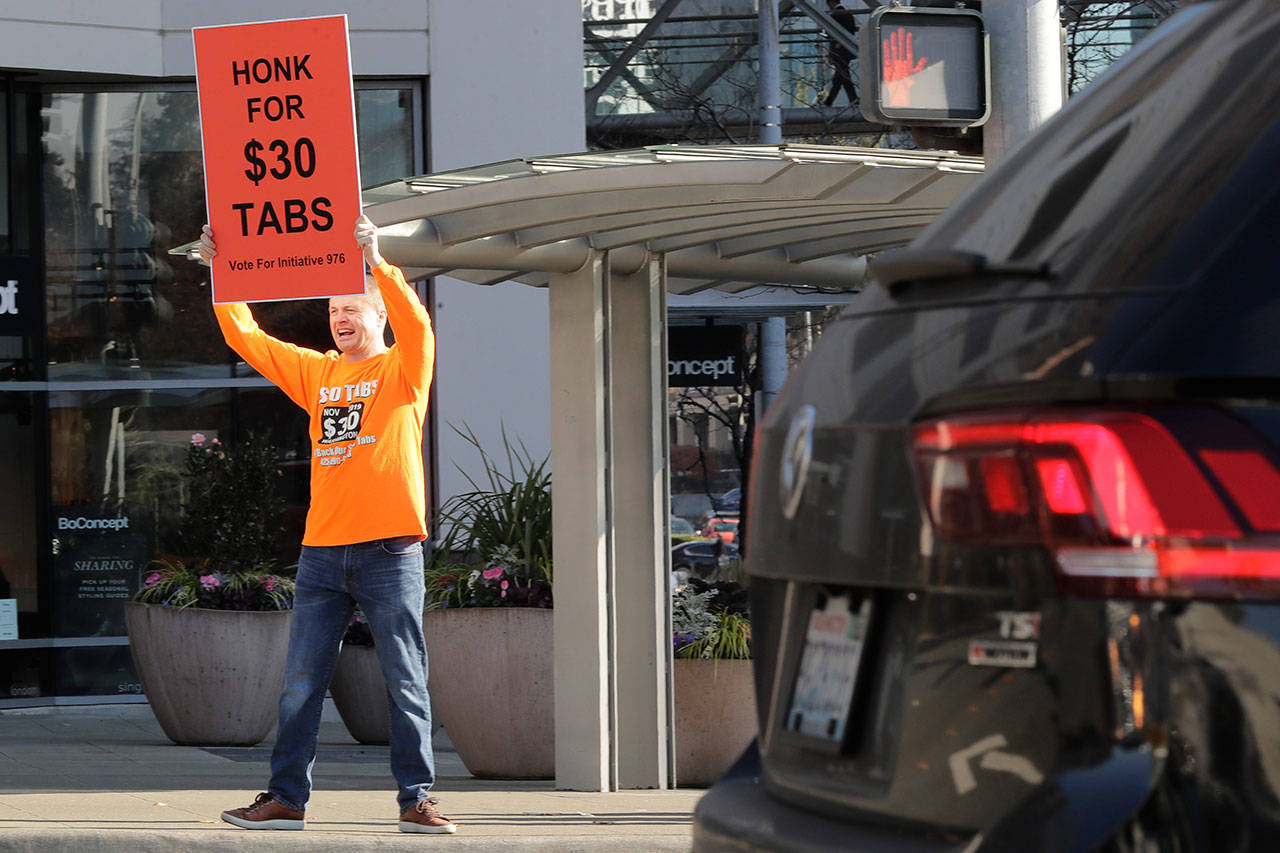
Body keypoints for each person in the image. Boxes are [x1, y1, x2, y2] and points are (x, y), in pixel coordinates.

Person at [200, 216, 454, 835]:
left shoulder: (403, 368)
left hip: (389, 551)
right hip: (322, 554)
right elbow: (248, 338)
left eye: (354, 308)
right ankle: (287, 799)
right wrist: (221, 272)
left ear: (379, 316)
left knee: (405, 682)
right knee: (299, 686)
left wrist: (379, 260)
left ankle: (416, 800)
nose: (340, 318)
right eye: (334, 309)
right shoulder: (319, 374)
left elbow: (418, 324)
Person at [822, 0, 859, 107]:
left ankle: (829, 102)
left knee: (840, 77)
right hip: (847, 50)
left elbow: (831, 34)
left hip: (838, 50)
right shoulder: (849, 15)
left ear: (831, 2)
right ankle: (853, 99)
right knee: (843, 75)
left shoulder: (835, 16)